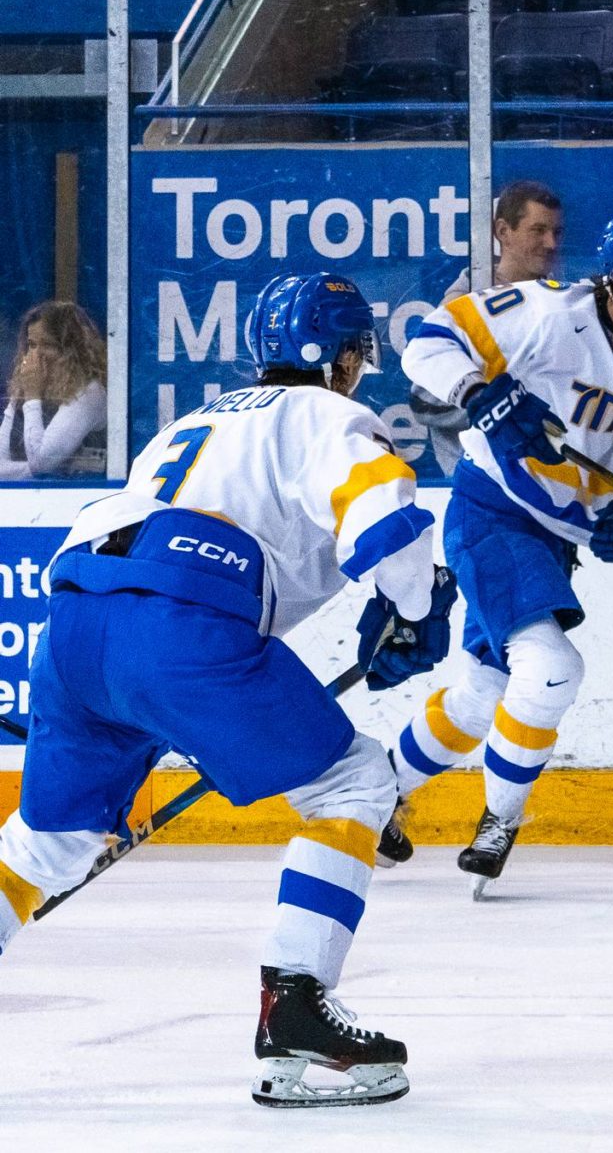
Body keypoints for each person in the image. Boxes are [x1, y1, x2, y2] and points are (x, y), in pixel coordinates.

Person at [0, 273, 450, 1107]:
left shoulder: (196, 418)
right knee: (355, 780)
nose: (360, 366)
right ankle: (296, 1006)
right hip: (181, 623)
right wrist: (413, 607)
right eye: (357, 350)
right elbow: (386, 522)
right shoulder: (330, 415)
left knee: (48, 841)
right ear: (343, 355)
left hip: (78, 616)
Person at [381, 211, 613, 891]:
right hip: (492, 509)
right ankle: (501, 819)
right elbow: (427, 343)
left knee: (482, 692)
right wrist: (484, 394)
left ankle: (376, 796)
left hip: (558, 538)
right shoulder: (543, 311)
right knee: (552, 668)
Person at [418, 180, 568, 476]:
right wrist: (492, 402)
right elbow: (425, 401)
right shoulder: (464, 304)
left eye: (557, 232)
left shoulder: (566, 303)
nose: (551, 243)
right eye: (538, 231)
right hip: (481, 486)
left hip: (550, 487)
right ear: (502, 232)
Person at [0, 301, 106, 480]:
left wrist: (33, 397)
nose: (37, 355)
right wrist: (58, 469)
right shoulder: (24, 388)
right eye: (32, 345)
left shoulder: (89, 392)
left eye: (47, 345)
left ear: (71, 349)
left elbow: (41, 464)